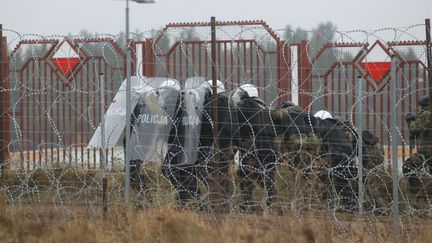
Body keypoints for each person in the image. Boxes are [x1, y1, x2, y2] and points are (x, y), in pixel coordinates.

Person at [232, 83, 277, 212]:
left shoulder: (243, 106)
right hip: (269, 147)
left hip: (252, 146)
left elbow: (237, 127)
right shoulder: (263, 107)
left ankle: (247, 205)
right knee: (268, 177)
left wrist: (235, 144)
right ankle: (273, 204)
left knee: (247, 176)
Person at [313, 110, 358, 212]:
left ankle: (352, 206)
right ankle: (335, 205)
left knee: (339, 182)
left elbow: (322, 145)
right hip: (346, 155)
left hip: (337, 156)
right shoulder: (336, 127)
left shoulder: (325, 126)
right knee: (337, 181)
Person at [403, 95, 432, 193]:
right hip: (427, 150)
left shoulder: (427, 114)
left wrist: (410, 121)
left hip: (428, 151)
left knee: (408, 166)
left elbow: (415, 129)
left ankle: (418, 193)